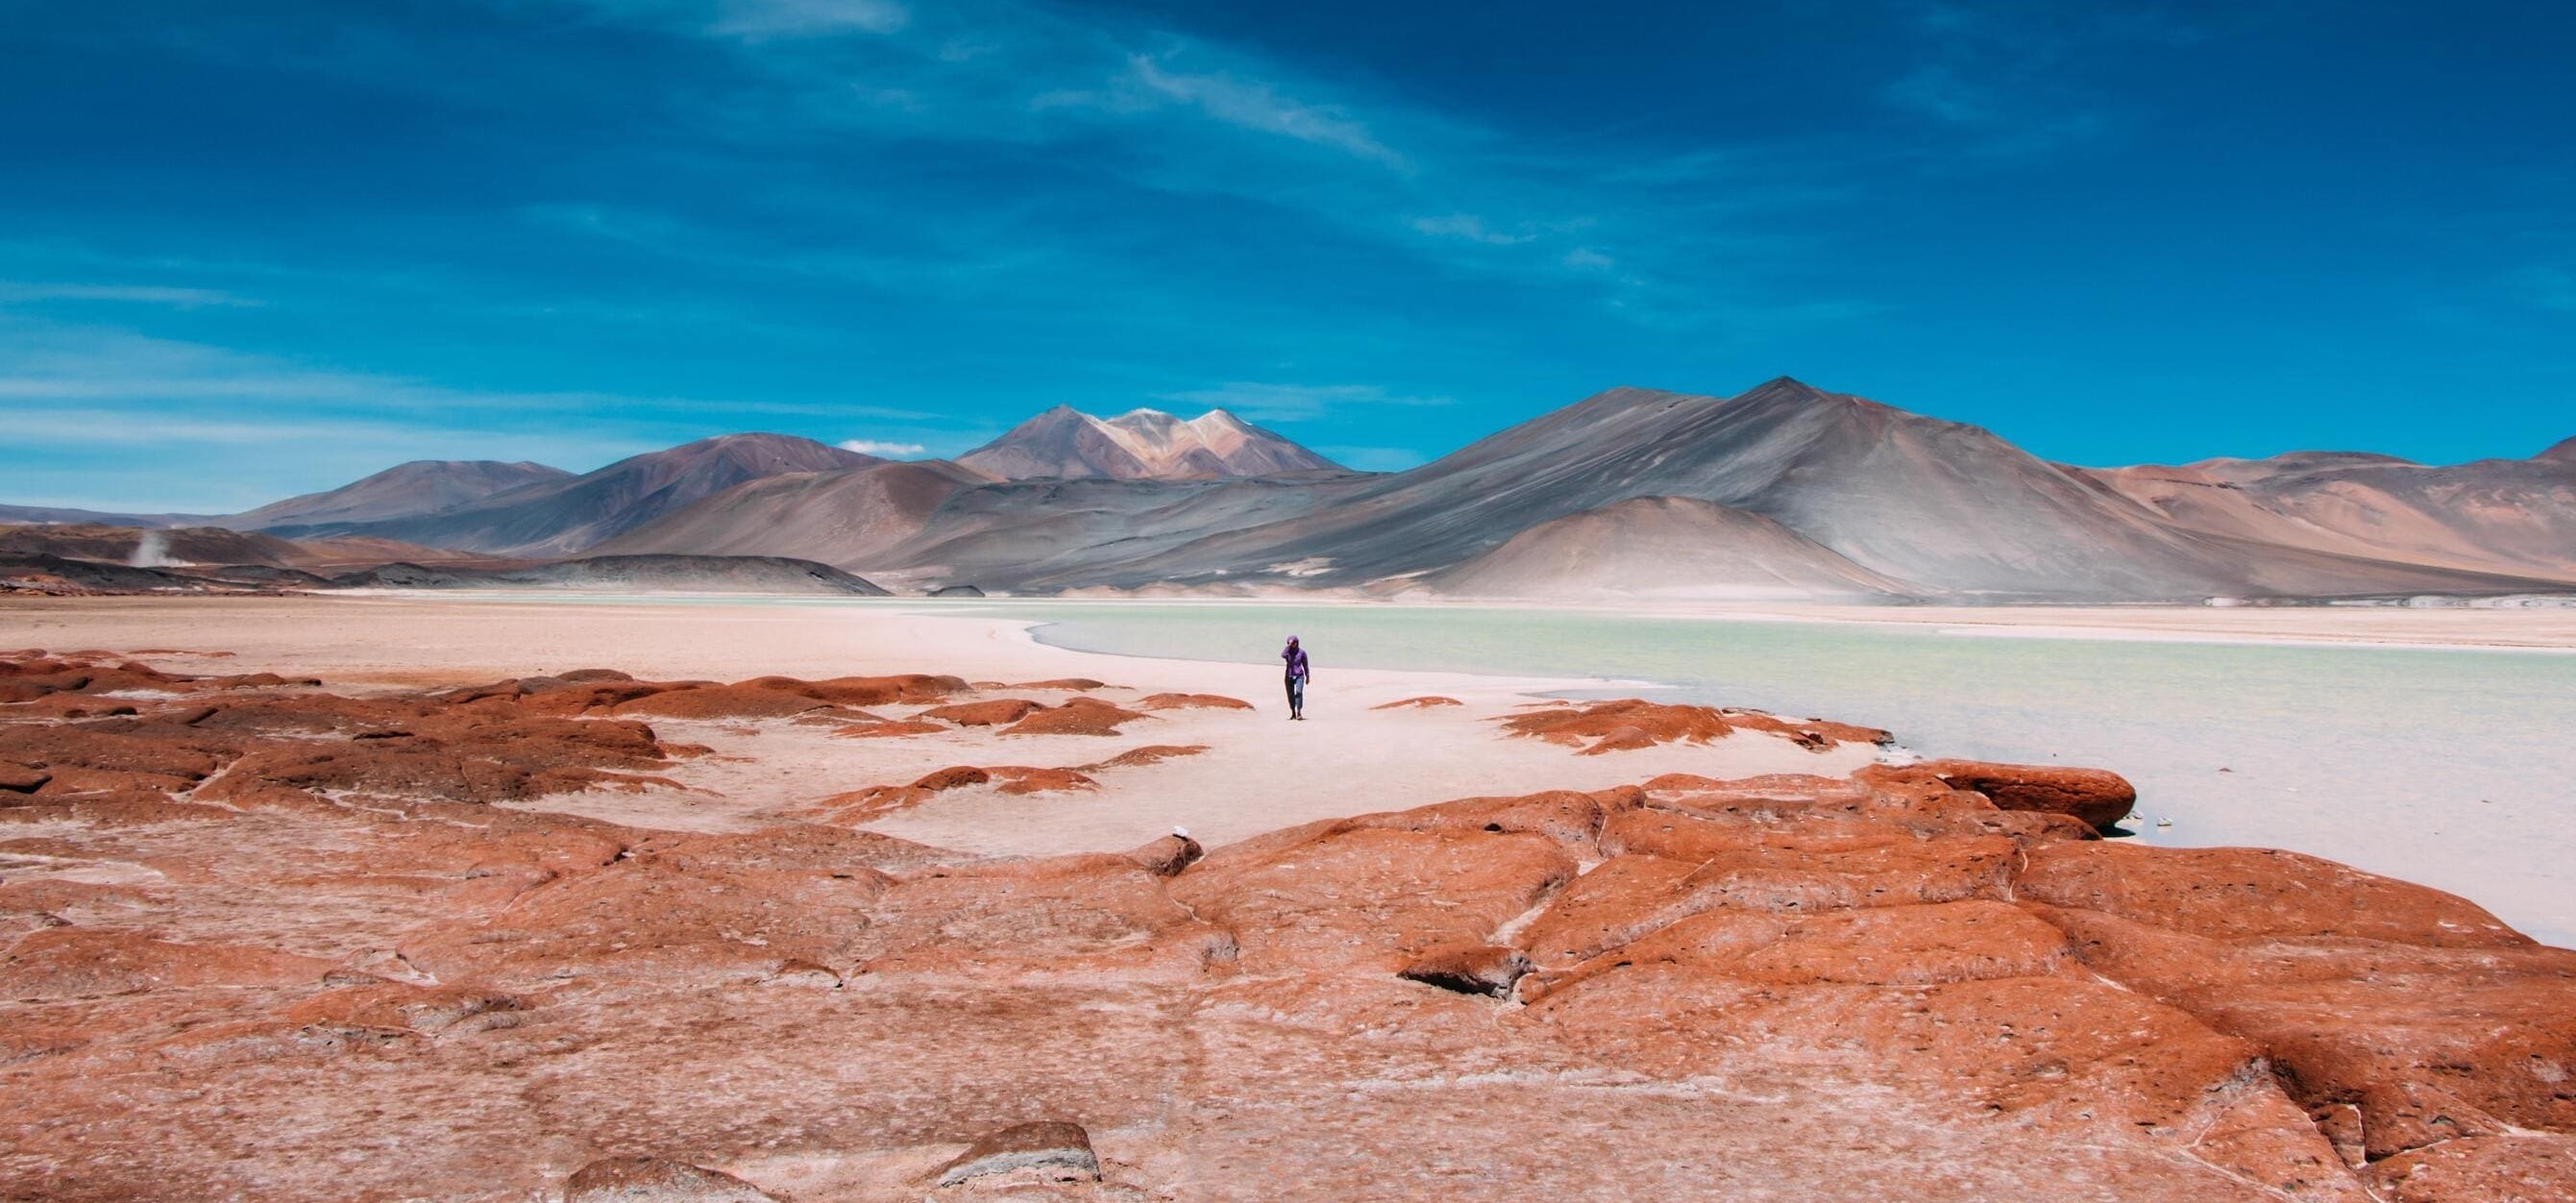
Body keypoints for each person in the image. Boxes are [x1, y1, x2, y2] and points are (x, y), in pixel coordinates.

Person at [1281, 634, 1310, 721]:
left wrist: (1307, 675)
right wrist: (1288, 646)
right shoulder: (1287, 652)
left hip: (1299, 676)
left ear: (1297, 642)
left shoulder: (1302, 652)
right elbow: (1282, 655)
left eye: (1294, 642)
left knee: (1299, 692)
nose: (1293, 643)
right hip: (1288, 676)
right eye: (1291, 642)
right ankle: (1293, 713)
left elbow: (1305, 665)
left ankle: (1299, 712)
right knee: (1290, 695)